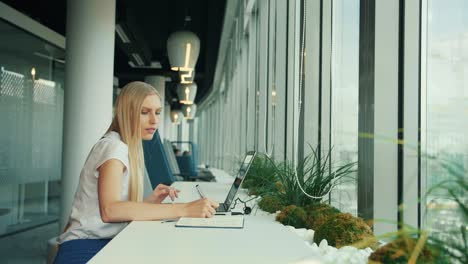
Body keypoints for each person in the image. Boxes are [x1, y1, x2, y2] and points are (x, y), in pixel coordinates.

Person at [54, 81, 219, 264]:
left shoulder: (124, 146)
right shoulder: (113, 148)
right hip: (85, 248)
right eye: (144, 112)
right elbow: (110, 210)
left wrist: (149, 203)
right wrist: (185, 209)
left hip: (98, 242)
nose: (154, 120)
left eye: (157, 112)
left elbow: (111, 209)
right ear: (127, 112)